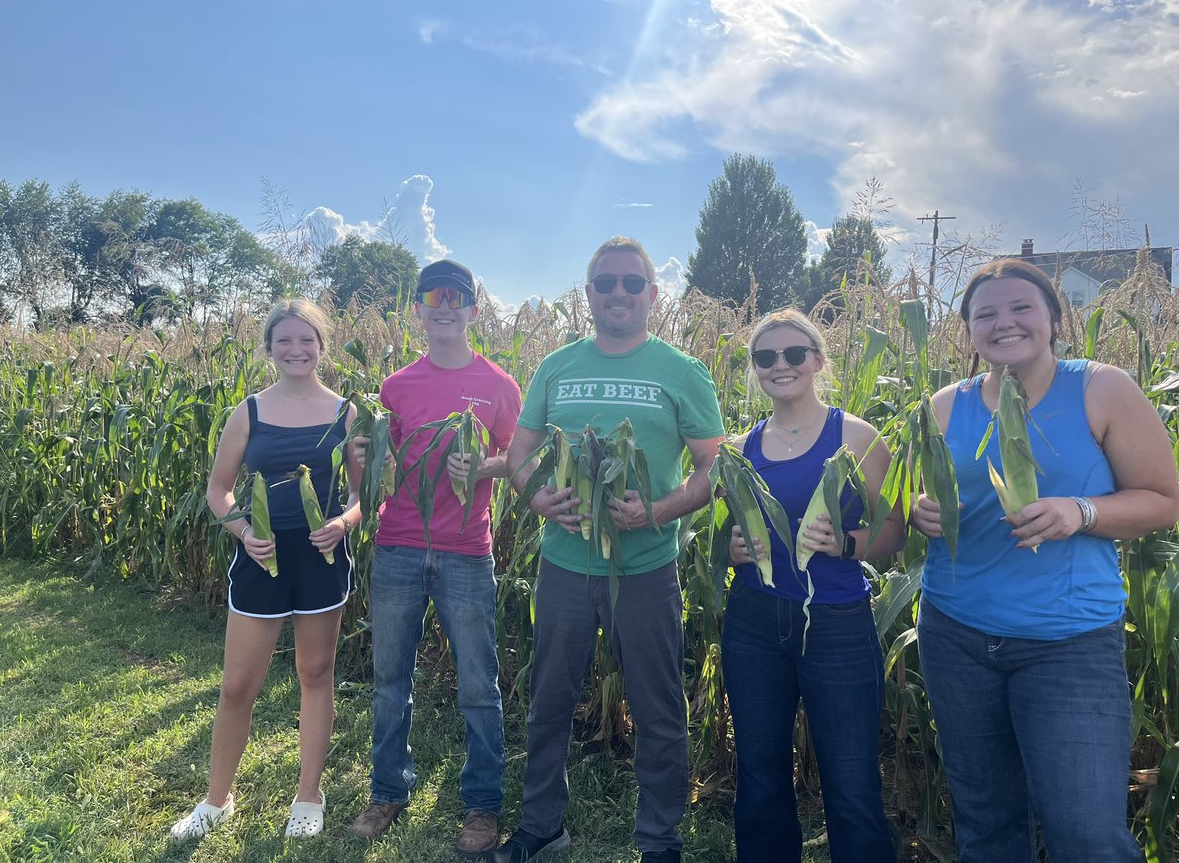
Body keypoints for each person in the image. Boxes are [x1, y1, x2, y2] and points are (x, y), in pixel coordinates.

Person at [912, 258, 1179, 862]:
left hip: (1068, 642)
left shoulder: (1100, 388)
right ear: (970, 332)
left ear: (1055, 319)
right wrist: (921, 511)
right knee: (986, 822)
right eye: (985, 314)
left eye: (1020, 307)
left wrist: (1078, 512)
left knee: (1085, 830)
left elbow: (1164, 502)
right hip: (956, 635)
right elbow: (923, 498)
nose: (1003, 322)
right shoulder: (946, 405)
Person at [495, 236, 726, 863]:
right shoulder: (556, 366)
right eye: (605, 283)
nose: (618, 293)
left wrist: (656, 510)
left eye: (631, 283)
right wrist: (536, 496)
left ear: (653, 294)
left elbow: (713, 469)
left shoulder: (682, 372)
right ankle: (541, 826)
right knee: (549, 700)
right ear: (588, 294)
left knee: (657, 709)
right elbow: (520, 457)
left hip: (647, 570)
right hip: (564, 566)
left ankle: (660, 840)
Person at [170, 298, 362, 841]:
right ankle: (216, 800)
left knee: (316, 674)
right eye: (285, 341)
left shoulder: (345, 412)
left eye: (307, 340)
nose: (296, 350)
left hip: (321, 558)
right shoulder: (248, 412)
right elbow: (218, 489)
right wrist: (243, 531)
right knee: (236, 685)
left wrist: (345, 523)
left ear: (322, 346)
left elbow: (363, 493)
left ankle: (309, 793)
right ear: (270, 348)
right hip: (262, 557)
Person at [349, 260, 522, 857]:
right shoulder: (396, 387)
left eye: (457, 297)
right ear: (418, 310)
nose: (444, 306)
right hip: (397, 545)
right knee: (390, 680)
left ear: (474, 310)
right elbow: (379, 469)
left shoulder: (500, 385)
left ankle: (482, 806)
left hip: (466, 553)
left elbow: (520, 462)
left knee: (479, 684)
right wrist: (363, 456)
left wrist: (485, 466)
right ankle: (387, 789)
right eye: (432, 297)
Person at [725, 309, 902, 862]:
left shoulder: (855, 436)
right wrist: (731, 549)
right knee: (758, 774)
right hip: (754, 620)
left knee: (850, 781)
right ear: (755, 368)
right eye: (765, 357)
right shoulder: (741, 446)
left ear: (818, 361)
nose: (781, 365)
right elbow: (727, 531)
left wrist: (846, 544)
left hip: (837, 623)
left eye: (794, 354)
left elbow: (894, 531)